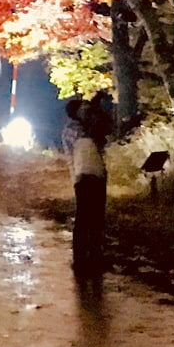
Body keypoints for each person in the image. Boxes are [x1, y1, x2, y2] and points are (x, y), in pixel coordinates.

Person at [69, 97, 107, 269]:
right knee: (84, 219)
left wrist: (95, 111)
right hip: (82, 176)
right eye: (83, 110)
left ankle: (95, 255)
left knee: (97, 218)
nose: (87, 113)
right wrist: (94, 111)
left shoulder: (92, 127)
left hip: (97, 174)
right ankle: (80, 259)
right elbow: (85, 137)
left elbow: (103, 135)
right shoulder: (71, 129)